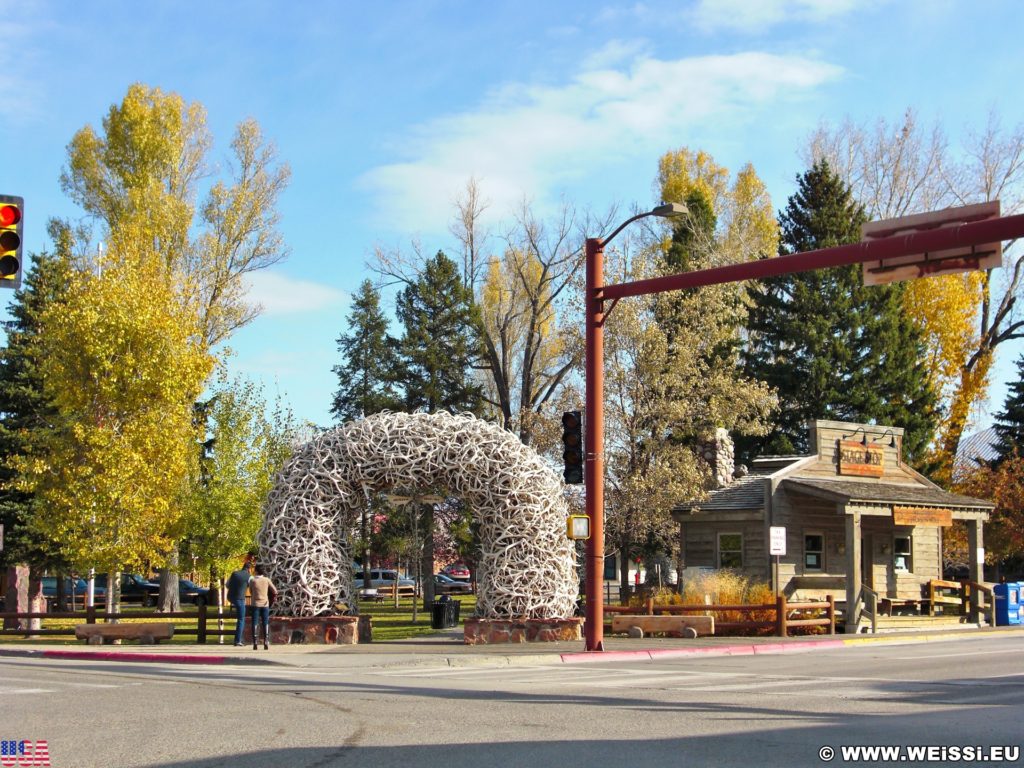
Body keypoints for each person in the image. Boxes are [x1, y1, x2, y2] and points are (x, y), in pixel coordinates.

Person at [250, 564, 277, 650]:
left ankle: (255, 642)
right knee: (265, 622)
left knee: (255, 622)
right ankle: (266, 641)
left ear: (256, 571)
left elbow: (251, 591)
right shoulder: (266, 580)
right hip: (265, 603)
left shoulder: (252, 580)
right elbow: (275, 590)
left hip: (255, 604)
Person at [226, 561, 252, 647]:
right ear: (249, 569)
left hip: (230, 597)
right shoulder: (249, 576)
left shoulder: (234, 573)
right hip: (239, 598)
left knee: (239, 615)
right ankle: (237, 641)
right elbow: (252, 586)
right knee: (241, 619)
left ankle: (237, 640)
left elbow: (227, 584)